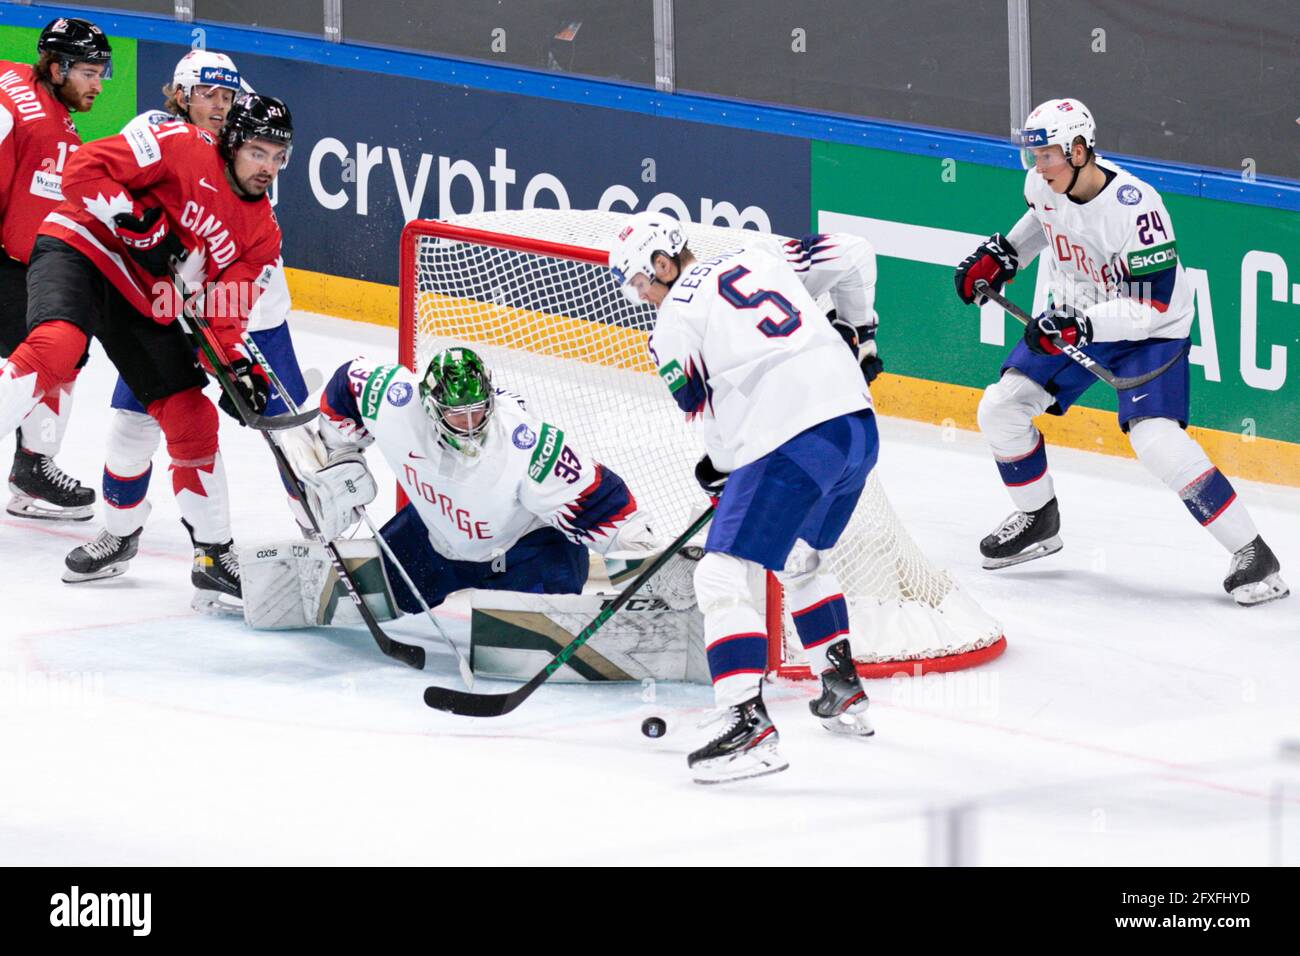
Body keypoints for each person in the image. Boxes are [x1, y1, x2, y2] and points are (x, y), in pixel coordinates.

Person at [954, 98, 1288, 607]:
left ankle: (1253, 553)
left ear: (1081, 150)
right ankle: (1039, 519)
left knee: (1156, 440)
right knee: (1001, 406)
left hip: (1150, 329)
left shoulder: (1137, 207)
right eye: (1034, 156)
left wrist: (1081, 324)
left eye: (1048, 156)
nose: (1038, 168)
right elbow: (1043, 222)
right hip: (1077, 313)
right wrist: (1003, 256)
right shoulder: (1041, 184)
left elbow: (1152, 304)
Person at [609, 212, 881, 784]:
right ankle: (842, 688)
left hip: (793, 436)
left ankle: (746, 725)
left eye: (639, 283)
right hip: (857, 428)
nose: (640, 297)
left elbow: (706, 411)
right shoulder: (760, 257)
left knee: (719, 574)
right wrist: (862, 333)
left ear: (662, 263)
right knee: (801, 555)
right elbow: (854, 250)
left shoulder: (672, 322)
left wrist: (722, 467)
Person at [0, 91, 294, 613]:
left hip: (143, 297)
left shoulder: (262, 234)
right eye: (257, 152)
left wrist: (236, 366)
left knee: (192, 417)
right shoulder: (177, 142)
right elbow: (83, 170)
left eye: (278, 156)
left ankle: (212, 557)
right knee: (58, 346)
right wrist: (138, 223)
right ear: (230, 144)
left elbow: (224, 314)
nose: (268, 166)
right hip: (82, 250)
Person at [64, 52, 310, 585]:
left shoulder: (252, 165)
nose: (218, 106)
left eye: (227, 97)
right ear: (180, 94)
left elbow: (244, 264)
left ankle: (319, 538)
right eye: (207, 95)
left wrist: (230, 356)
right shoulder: (162, 138)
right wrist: (142, 236)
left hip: (247, 313)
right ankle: (122, 532)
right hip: (158, 306)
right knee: (133, 426)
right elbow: (107, 192)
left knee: (291, 433)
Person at [280, 346, 665, 617]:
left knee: (524, 635)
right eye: (457, 414)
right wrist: (339, 449)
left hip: (526, 553)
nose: (470, 424)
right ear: (431, 406)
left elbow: (599, 500)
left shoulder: (525, 443)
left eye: (477, 411)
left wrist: (644, 550)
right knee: (369, 602)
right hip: (436, 537)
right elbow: (348, 381)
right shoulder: (396, 401)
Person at [0, 17, 111, 521]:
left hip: (17, 261)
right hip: (9, 262)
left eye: (103, 72)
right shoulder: (42, 126)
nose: (98, 84)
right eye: (89, 72)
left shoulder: (13, 79)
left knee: (63, 349)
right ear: (56, 66)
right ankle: (32, 469)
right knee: (59, 347)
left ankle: (33, 468)